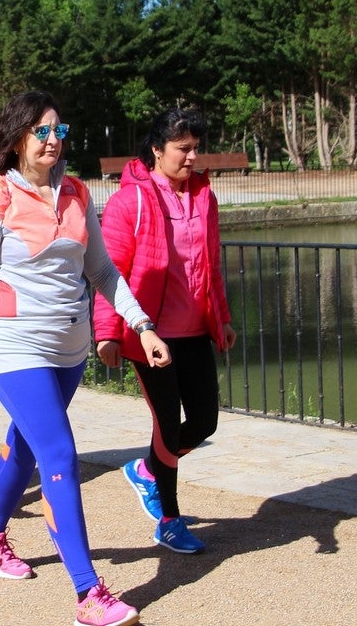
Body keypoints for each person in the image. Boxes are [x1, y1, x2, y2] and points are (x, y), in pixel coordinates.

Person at [0, 90, 169, 626]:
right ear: (17, 136)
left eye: (58, 131)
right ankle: (89, 594)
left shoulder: (74, 193)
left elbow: (104, 272)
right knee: (60, 457)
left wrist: (142, 325)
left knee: (24, 444)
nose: (51, 140)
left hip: (69, 350)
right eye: (41, 130)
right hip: (14, 345)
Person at [94, 107, 236, 556]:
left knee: (205, 420)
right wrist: (108, 333)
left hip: (196, 329)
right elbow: (108, 271)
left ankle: (146, 469)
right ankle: (170, 521)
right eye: (183, 149)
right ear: (157, 150)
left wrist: (223, 318)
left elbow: (210, 265)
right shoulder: (129, 201)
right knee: (168, 426)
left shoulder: (205, 198)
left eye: (197, 148)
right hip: (150, 334)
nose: (193, 157)